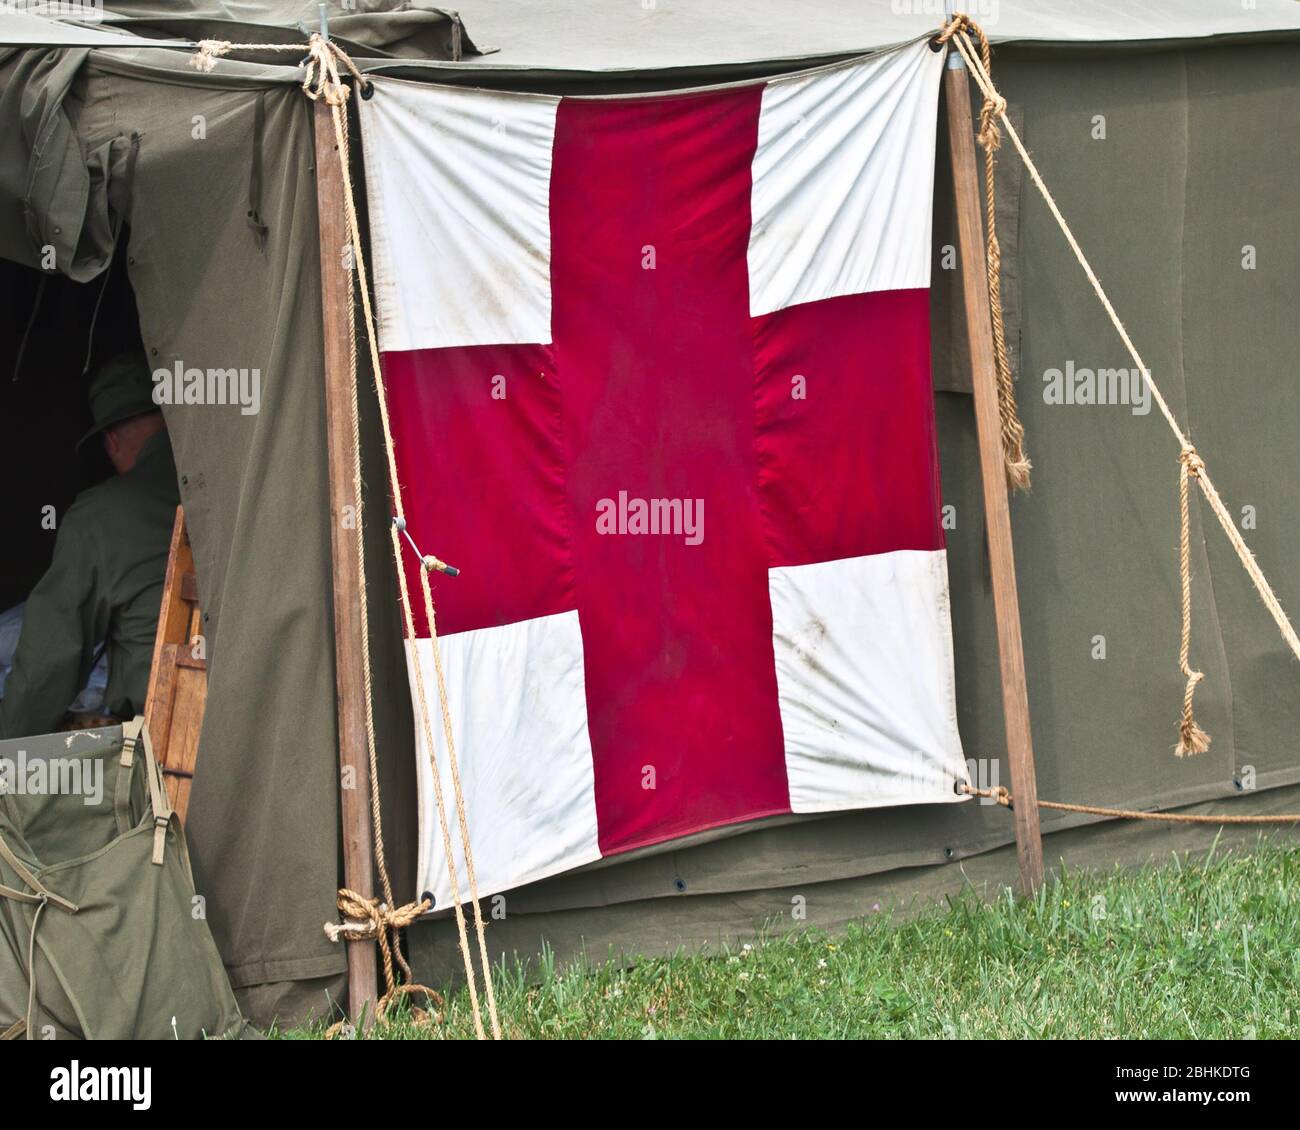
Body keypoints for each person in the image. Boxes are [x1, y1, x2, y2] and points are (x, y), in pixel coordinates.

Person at [0, 353, 181, 738]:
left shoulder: (100, 515)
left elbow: (47, 667)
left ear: (111, 442)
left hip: (159, 740)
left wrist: (8, 752)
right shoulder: (233, 492)